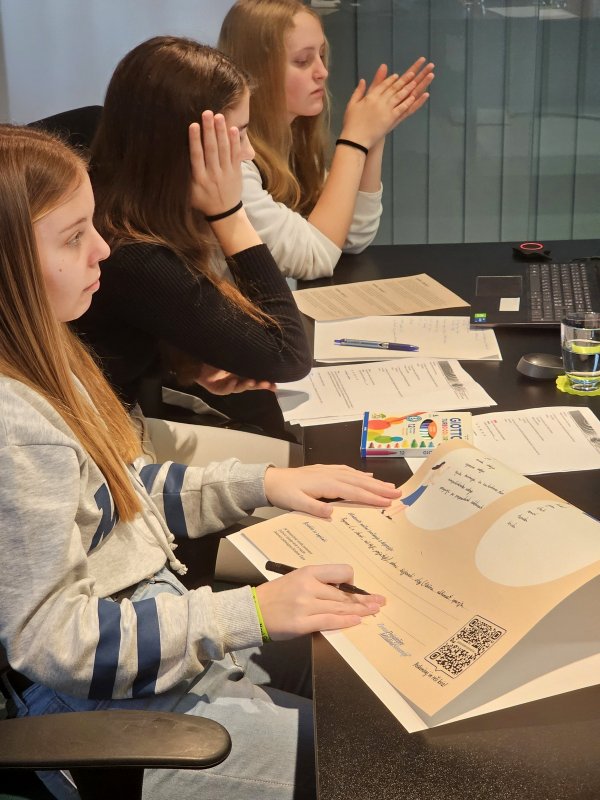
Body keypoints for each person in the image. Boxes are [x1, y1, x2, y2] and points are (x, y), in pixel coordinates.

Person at [0, 124, 403, 799]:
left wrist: (263, 483)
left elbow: (118, 494)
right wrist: (253, 613)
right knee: (381, 760)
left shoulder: (47, 356)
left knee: (368, 666)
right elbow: (56, 642)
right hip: (111, 719)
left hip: (154, 641)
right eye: (73, 238)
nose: (103, 249)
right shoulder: (14, 428)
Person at [74, 36, 311, 434]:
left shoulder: (120, 208)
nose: (249, 153)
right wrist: (230, 214)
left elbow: (118, 340)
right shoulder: (130, 252)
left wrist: (183, 362)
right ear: (187, 148)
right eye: (238, 134)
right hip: (109, 447)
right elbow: (287, 355)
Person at [218, 0, 435, 280]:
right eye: (302, 61)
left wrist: (374, 135)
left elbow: (352, 236)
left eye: (321, 55)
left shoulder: (293, 142)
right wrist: (355, 141)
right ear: (257, 70)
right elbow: (314, 256)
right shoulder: (234, 162)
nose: (322, 71)